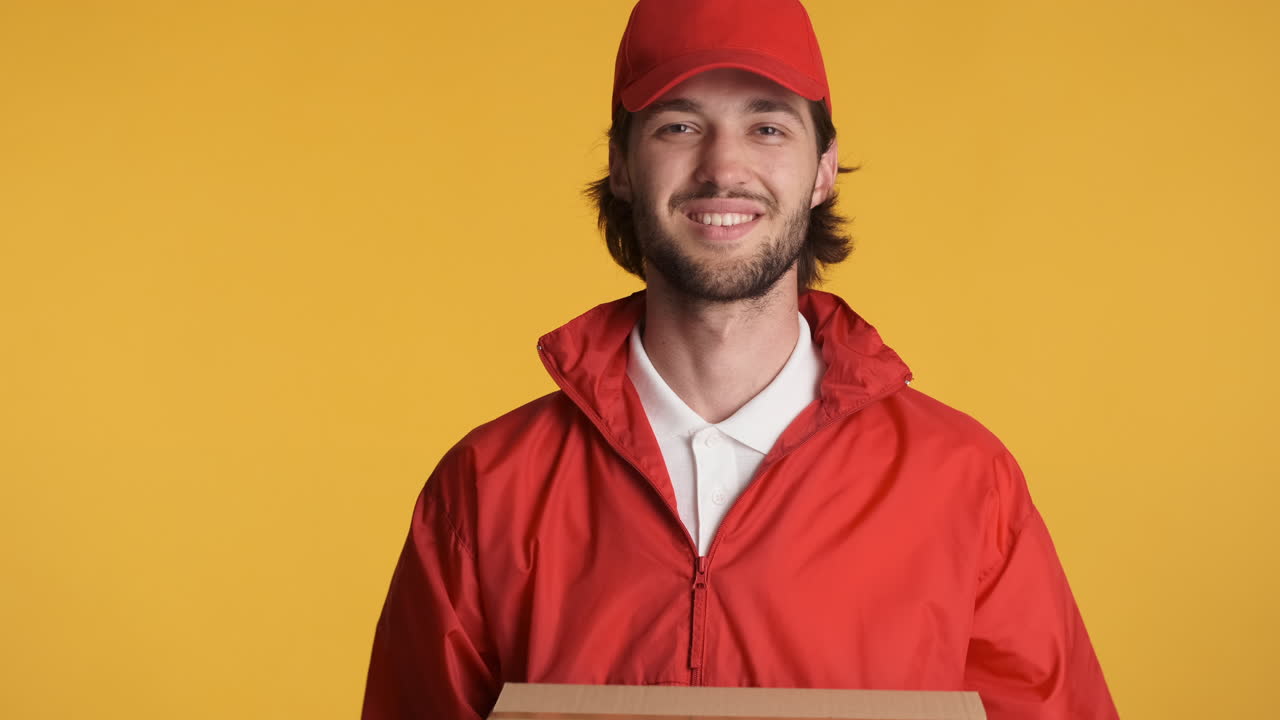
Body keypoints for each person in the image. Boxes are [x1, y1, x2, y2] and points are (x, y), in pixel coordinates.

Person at [362, 1, 1119, 718]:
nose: (723, 168)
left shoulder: (965, 485)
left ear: (823, 169)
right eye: (680, 126)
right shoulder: (486, 489)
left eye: (767, 128)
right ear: (622, 166)